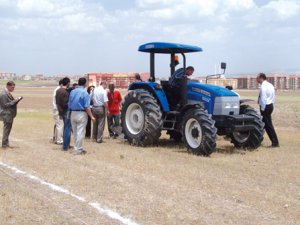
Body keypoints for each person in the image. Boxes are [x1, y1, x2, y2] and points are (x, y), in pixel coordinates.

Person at [68, 78, 95, 154]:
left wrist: (69, 114)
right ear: (85, 84)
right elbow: (87, 106)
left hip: (73, 113)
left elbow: (69, 104)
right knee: (80, 132)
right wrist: (92, 116)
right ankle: (78, 149)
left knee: (75, 132)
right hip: (81, 113)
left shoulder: (72, 92)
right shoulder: (85, 93)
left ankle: (77, 147)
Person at [257, 73, 279, 148]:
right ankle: (274, 141)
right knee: (268, 124)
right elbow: (273, 96)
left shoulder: (263, 86)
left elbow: (263, 98)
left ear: (261, 78)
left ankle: (275, 142)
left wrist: (262, 109)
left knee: (268, 125)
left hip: (265, 106)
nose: (256, 79)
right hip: (270, 105)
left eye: (257, 78)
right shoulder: (270, 85)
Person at [0, 81, 23, 148]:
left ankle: (6, 144)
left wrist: (16, 100)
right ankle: (4, 145)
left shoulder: (7, 93)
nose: (13, 88)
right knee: (6, 130)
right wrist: (16, 100)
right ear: (8, 86)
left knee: (8, 130)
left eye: (14, 87)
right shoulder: (4, 94)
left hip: (9, 114)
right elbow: (5, 105)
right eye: (12, 87)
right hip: (6, 114)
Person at [56, 77, 72, 151]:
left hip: (61, 111)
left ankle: (67, 145)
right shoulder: (65, 92)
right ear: (68, 83)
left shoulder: (58, 90)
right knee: (67, 129)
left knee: (66, 128)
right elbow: (65, 104)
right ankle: (65, 146)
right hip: (66, 111)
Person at [52, 79, 63, 145]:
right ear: (61, 84)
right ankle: (59, 140)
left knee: (58, 125)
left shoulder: (56, 90)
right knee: (60, 125)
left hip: (56, 109)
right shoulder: (58, 90)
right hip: (57, 110)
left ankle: (56, 138)